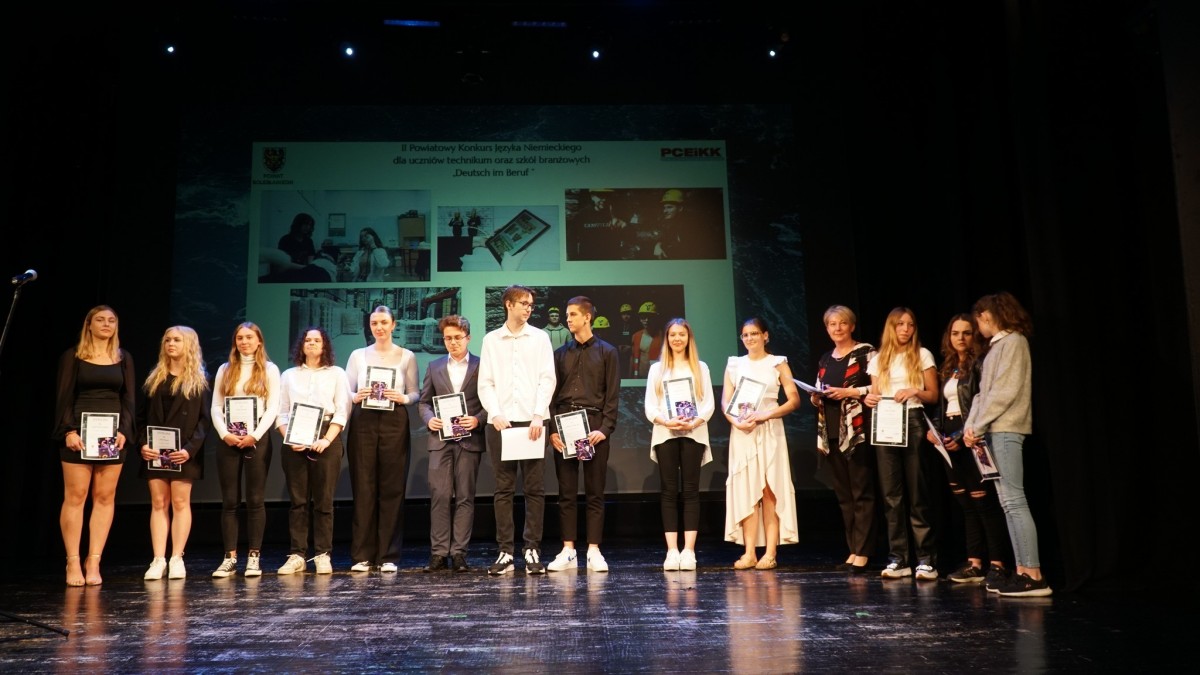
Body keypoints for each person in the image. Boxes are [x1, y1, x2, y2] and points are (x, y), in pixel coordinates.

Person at [962, 292, 1050, 597]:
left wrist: (979, 425)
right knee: (1006, 502)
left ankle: (1033, 574)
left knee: (1014, 500)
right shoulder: (996, 347)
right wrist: (971, 425)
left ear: (987, 315)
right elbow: (981, 394)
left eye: (978, 321)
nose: (978, 328)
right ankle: (1022, 569)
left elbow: (1005, 392)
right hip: (991, 430)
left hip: (1006, 428)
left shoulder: (1014, 342)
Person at [926, 313, 1014, 587]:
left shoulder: (980, 364)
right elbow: (942, 407)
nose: (960, 338)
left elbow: (981, 404)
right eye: (955, 333)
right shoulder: (948, 367)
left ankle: (998, 565)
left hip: (972, 437)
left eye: (966, 332)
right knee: (966, 506)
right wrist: (935, 431)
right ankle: (974, 563)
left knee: (984, 504)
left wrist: (959, 435)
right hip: (950, 441)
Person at [53, 305, 136, 586]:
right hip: (78, 434)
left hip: (111, 436)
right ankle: (72, 561)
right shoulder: (73, 356)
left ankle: (94, 560)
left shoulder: (123, 357)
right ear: (89, 324)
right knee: (76, 496)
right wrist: (68, 430)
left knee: (104, 496)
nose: (106, 324)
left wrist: (124, 431)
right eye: (100, 320)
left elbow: (129, 399)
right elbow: (64, 396)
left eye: (111, 320)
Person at [477, 285, 556, 575]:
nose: (528, 308)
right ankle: (505, 552)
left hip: (533, 422)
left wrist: (538, 414)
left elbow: (547, 378)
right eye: (523, 303)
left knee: (534, 488)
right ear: (509, 304)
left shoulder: (540, 337)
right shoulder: (491, 340)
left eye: (531, 304)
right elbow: (485, 382)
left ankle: (532, 548)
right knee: (503, 489)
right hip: (502, 423)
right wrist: (495, 412)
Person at [864, 307, 940, 580]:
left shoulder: (922, 354)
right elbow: (875, 393)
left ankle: (926, 560)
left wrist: (914, 390)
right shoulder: (878, 359)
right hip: (885, 424)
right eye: (900, 324)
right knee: (891, 496)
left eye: (910, 324)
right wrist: (869, 399)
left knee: (917, 492)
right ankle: (899, 558)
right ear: (891, 327)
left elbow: (933, 395)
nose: (906, 329)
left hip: (913, 420)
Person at [546, 297, 620, 573]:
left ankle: (594, 550)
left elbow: (612, 395)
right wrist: (552, 430)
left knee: (594, 491)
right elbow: (551, 394)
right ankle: (568, 550)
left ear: (587, 317)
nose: (568, 319)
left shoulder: (607, 352)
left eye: (573, 314)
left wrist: (604, 428)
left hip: (593, 425)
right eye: (567, 315)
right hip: (565, 423)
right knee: (566, 491)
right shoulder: (559, 354)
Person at [722, 317, 801, 569]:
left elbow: (793, 400)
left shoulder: (777, 363)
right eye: (745, 335)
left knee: (769, 490)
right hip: (743, 431)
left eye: (754, 333)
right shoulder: (735, 364)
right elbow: (725, 402)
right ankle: (749, 553)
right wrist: (736, 422)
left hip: (769, 429)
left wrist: (765, 415)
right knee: (746, 489)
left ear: (765, 335)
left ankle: (770, 552)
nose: (750, 338)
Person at [344, 305, 418, 574]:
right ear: (370, 326)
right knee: (363, 487)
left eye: (384, 322)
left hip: (394, 420)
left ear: (393, 325)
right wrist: (356, 396)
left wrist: (403, 397)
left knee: (392, 487)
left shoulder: (407, 356)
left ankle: (388, 555)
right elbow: (347, 392)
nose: (379, 327)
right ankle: (362, 555)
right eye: (375, 323)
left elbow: (415, 393)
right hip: (363, 420)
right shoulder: (357, 355)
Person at [137, 326, 211, 580]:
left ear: (189, 344)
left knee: (180, 502)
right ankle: (158, 559)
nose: (171, 343)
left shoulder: (200, 380)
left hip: (183, 452)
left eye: (177, 340)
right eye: (167, 339)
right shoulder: (154, 378)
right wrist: (142, 444)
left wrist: (189, 450)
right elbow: (141, 417)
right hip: (156, 451)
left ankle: (177, 557)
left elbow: (204, 421)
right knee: (159, 502)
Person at [276, 326, 350, 575]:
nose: (311, 343)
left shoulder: (337, 374)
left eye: (317, 340)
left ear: (325, 345)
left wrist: (326, 440)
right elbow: (281, 412)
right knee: (298, 502)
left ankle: (322, 554)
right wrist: (289, 438)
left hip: (326, 435)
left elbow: (342, 410)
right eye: (307, 340)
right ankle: (297, 554)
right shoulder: (289, 375)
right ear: (301, 345)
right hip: (295, 436)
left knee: (324, 501)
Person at [210, 322, 281, 578]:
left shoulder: (270, 369)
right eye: (240, 338)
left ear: (259, 341)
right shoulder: (225, 369)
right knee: (230, 501)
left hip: (256, 440)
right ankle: (229, 558)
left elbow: (273, 407)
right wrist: (225, 434)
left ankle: (253, 557)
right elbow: (216, 406)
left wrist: (254, 436)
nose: (244, 342)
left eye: (249, 337)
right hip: (228, 440)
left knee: (255, 500)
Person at [644, 318, 715, 570]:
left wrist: (694, 421)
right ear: (667, 338)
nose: (677, 339)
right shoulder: (657, 369)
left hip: (694, 433)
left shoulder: (700, 367)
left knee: (691, 491)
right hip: (666, 433)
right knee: (669, 491)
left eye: (681, 334)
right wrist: (666, 421)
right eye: (672, 334)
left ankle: (689, 551)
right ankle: (672, 551)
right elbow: (650, 405)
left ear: (688, 338)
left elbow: (708, 403)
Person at [811, 306, 878, 574]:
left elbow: (878, 386)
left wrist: (849, 392)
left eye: (842, 323)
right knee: (844, 495)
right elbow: (820, 388)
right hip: (831, 432)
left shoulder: (865, 352)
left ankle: (864, 552)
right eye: (832, 324)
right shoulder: (826, 358)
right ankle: (853, 549)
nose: (837, 328)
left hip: (856, 431)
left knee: (862, 492)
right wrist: (816, 396)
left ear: (851, 326)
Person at [418, 315, 484, 573]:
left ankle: (458, 554)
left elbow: (492, 402)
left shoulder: (481, 365)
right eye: (448, 338)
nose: (453, 342)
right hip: (440, 441)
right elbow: (424, 402)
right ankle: (438, 553)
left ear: (468, 338)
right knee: (440, 496)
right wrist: (429, 419)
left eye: (457, 338)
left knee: (465, 497)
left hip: (469, 440)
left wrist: (477, 420)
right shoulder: (434, 366)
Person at [567, 188, 629, 260]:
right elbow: (571, 238)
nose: (604, 199)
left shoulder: (617, 214)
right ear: (592, 197)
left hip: (610, 260)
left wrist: (625, 227)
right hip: (588, 259)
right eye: (600, 195)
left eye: (607, 196)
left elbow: (630, 237)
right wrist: (573, 259)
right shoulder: (582, 215)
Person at [630, 302, 664, 378]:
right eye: (643, 317)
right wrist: (630, 379)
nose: (646, 320)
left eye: (650, 317)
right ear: (640, 319)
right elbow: (632, 358)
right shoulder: (636, 336)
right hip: (640, 378)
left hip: (657, 378)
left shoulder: (664, 336)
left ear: (655, 318)